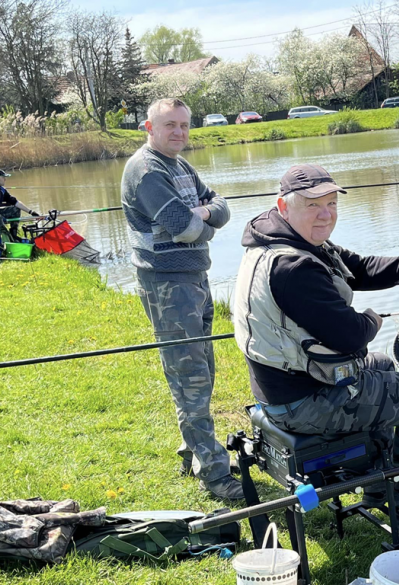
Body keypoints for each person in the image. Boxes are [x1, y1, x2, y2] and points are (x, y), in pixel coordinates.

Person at [232, 164, 399, 531]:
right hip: (303, 402)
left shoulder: (285, 240)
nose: (326, 214)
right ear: (284, 205)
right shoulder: (293, 267)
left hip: (290, 385)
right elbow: (350, 336)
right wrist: (373, 319)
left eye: (331, 203)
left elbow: (359, 268)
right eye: (313, 205)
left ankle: (380, 488)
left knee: (385, 367)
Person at [120, 97, 242, 500]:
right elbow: (184, 226)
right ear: (148, 127)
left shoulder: (179, 165)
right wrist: (203, 219)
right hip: (167, 285)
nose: (179, 132)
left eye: (185, 125)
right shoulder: (146, 170)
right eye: (170, 124)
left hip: (194, 279)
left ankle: (192, 452)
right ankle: (217, 477)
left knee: (202, 370)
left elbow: (221, 208)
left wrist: (202, 216)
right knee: (190, 380)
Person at [0, 169, 39, 242]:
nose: (5, 179)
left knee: (15, 209)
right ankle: (5, 238)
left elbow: (15, 202)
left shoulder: (2, 190)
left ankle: (13, 234)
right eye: (3, 177)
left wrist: (31, 212)